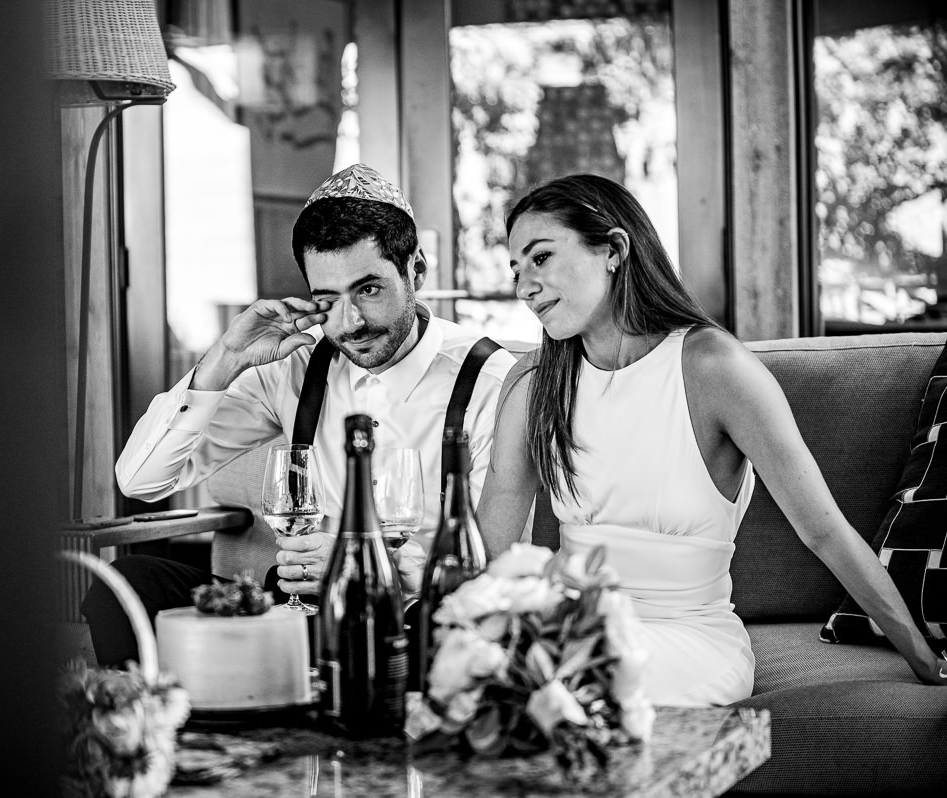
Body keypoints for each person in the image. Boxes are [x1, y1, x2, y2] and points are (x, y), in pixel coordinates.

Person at [477, 173, 947, 706]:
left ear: (614, 250)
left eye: (540, 258)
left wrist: (926, 660)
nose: (524, 287)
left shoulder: (713, 367)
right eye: (516, 270)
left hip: (686, 642)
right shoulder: (535, 384)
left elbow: (824, 532)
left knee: (553, 690)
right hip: (570, 634)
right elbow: (491, 553)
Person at [83, 163, 521, 668]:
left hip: (411, 625)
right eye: (327, 299)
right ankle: (165, 716)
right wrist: (223, 360)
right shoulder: (297, 364)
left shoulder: (490, 382)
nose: (350, 323)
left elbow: (490, 570)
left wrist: (359, 563)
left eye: (369, 290)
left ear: (416, 271)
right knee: (128, 584)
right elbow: (141, 480)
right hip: (300, 613)